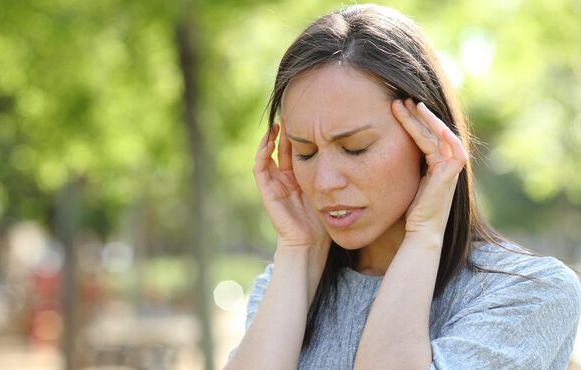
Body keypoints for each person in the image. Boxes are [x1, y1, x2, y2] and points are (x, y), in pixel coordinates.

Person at [224, 3, 581, 370]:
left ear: (428, 139)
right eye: (305, 152)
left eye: (355, 148)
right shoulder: (286, 285)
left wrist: (425, 233)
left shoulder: (529, 293)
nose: (325, 182)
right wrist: (298, 249)